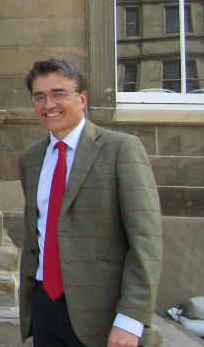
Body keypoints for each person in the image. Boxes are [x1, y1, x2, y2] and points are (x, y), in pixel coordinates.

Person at [18, 58, 162, 347]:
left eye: (59, 94)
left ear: (82, 98)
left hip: (103, 314)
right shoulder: (30, 160)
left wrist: (130, 320)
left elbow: (146, 242)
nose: (48, 104)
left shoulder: (121, 148)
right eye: (40, 97)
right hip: (45, 307)